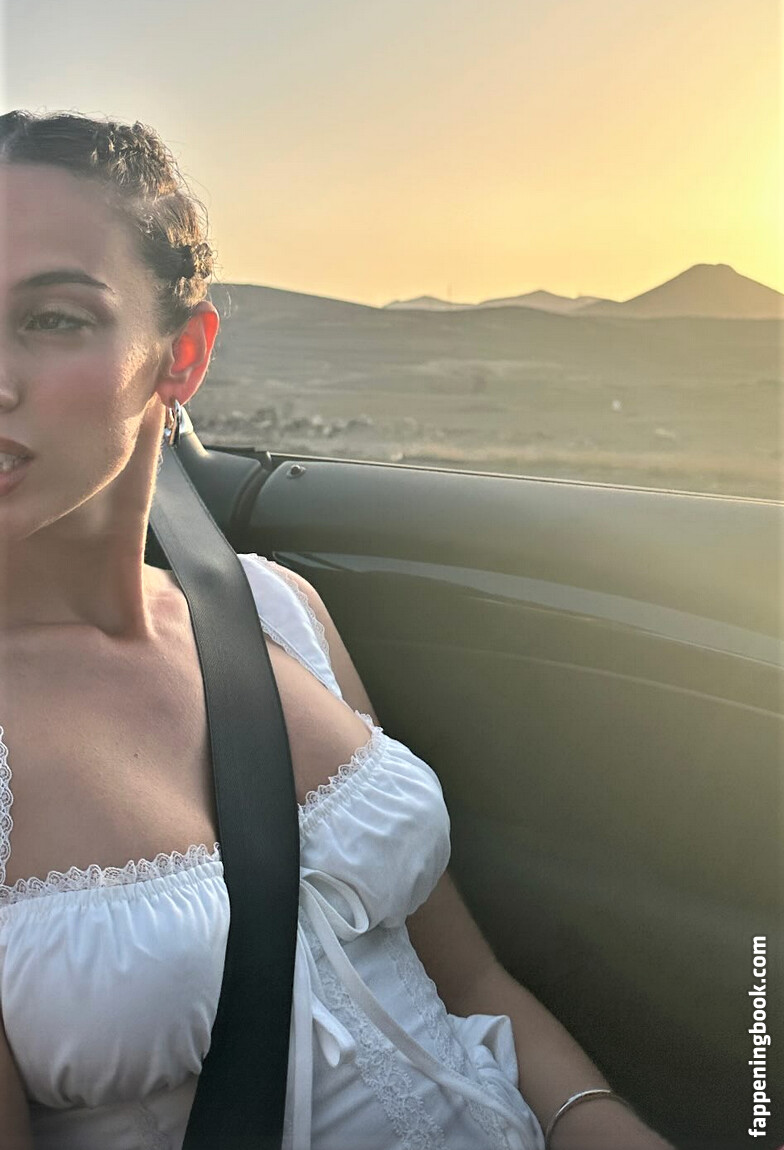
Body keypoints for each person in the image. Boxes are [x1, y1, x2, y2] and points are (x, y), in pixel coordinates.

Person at [0, 110, 674, 1150]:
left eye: (51, 319)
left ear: (181, 357)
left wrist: (601, 1122)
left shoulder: (275, 610)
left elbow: (471, 983)